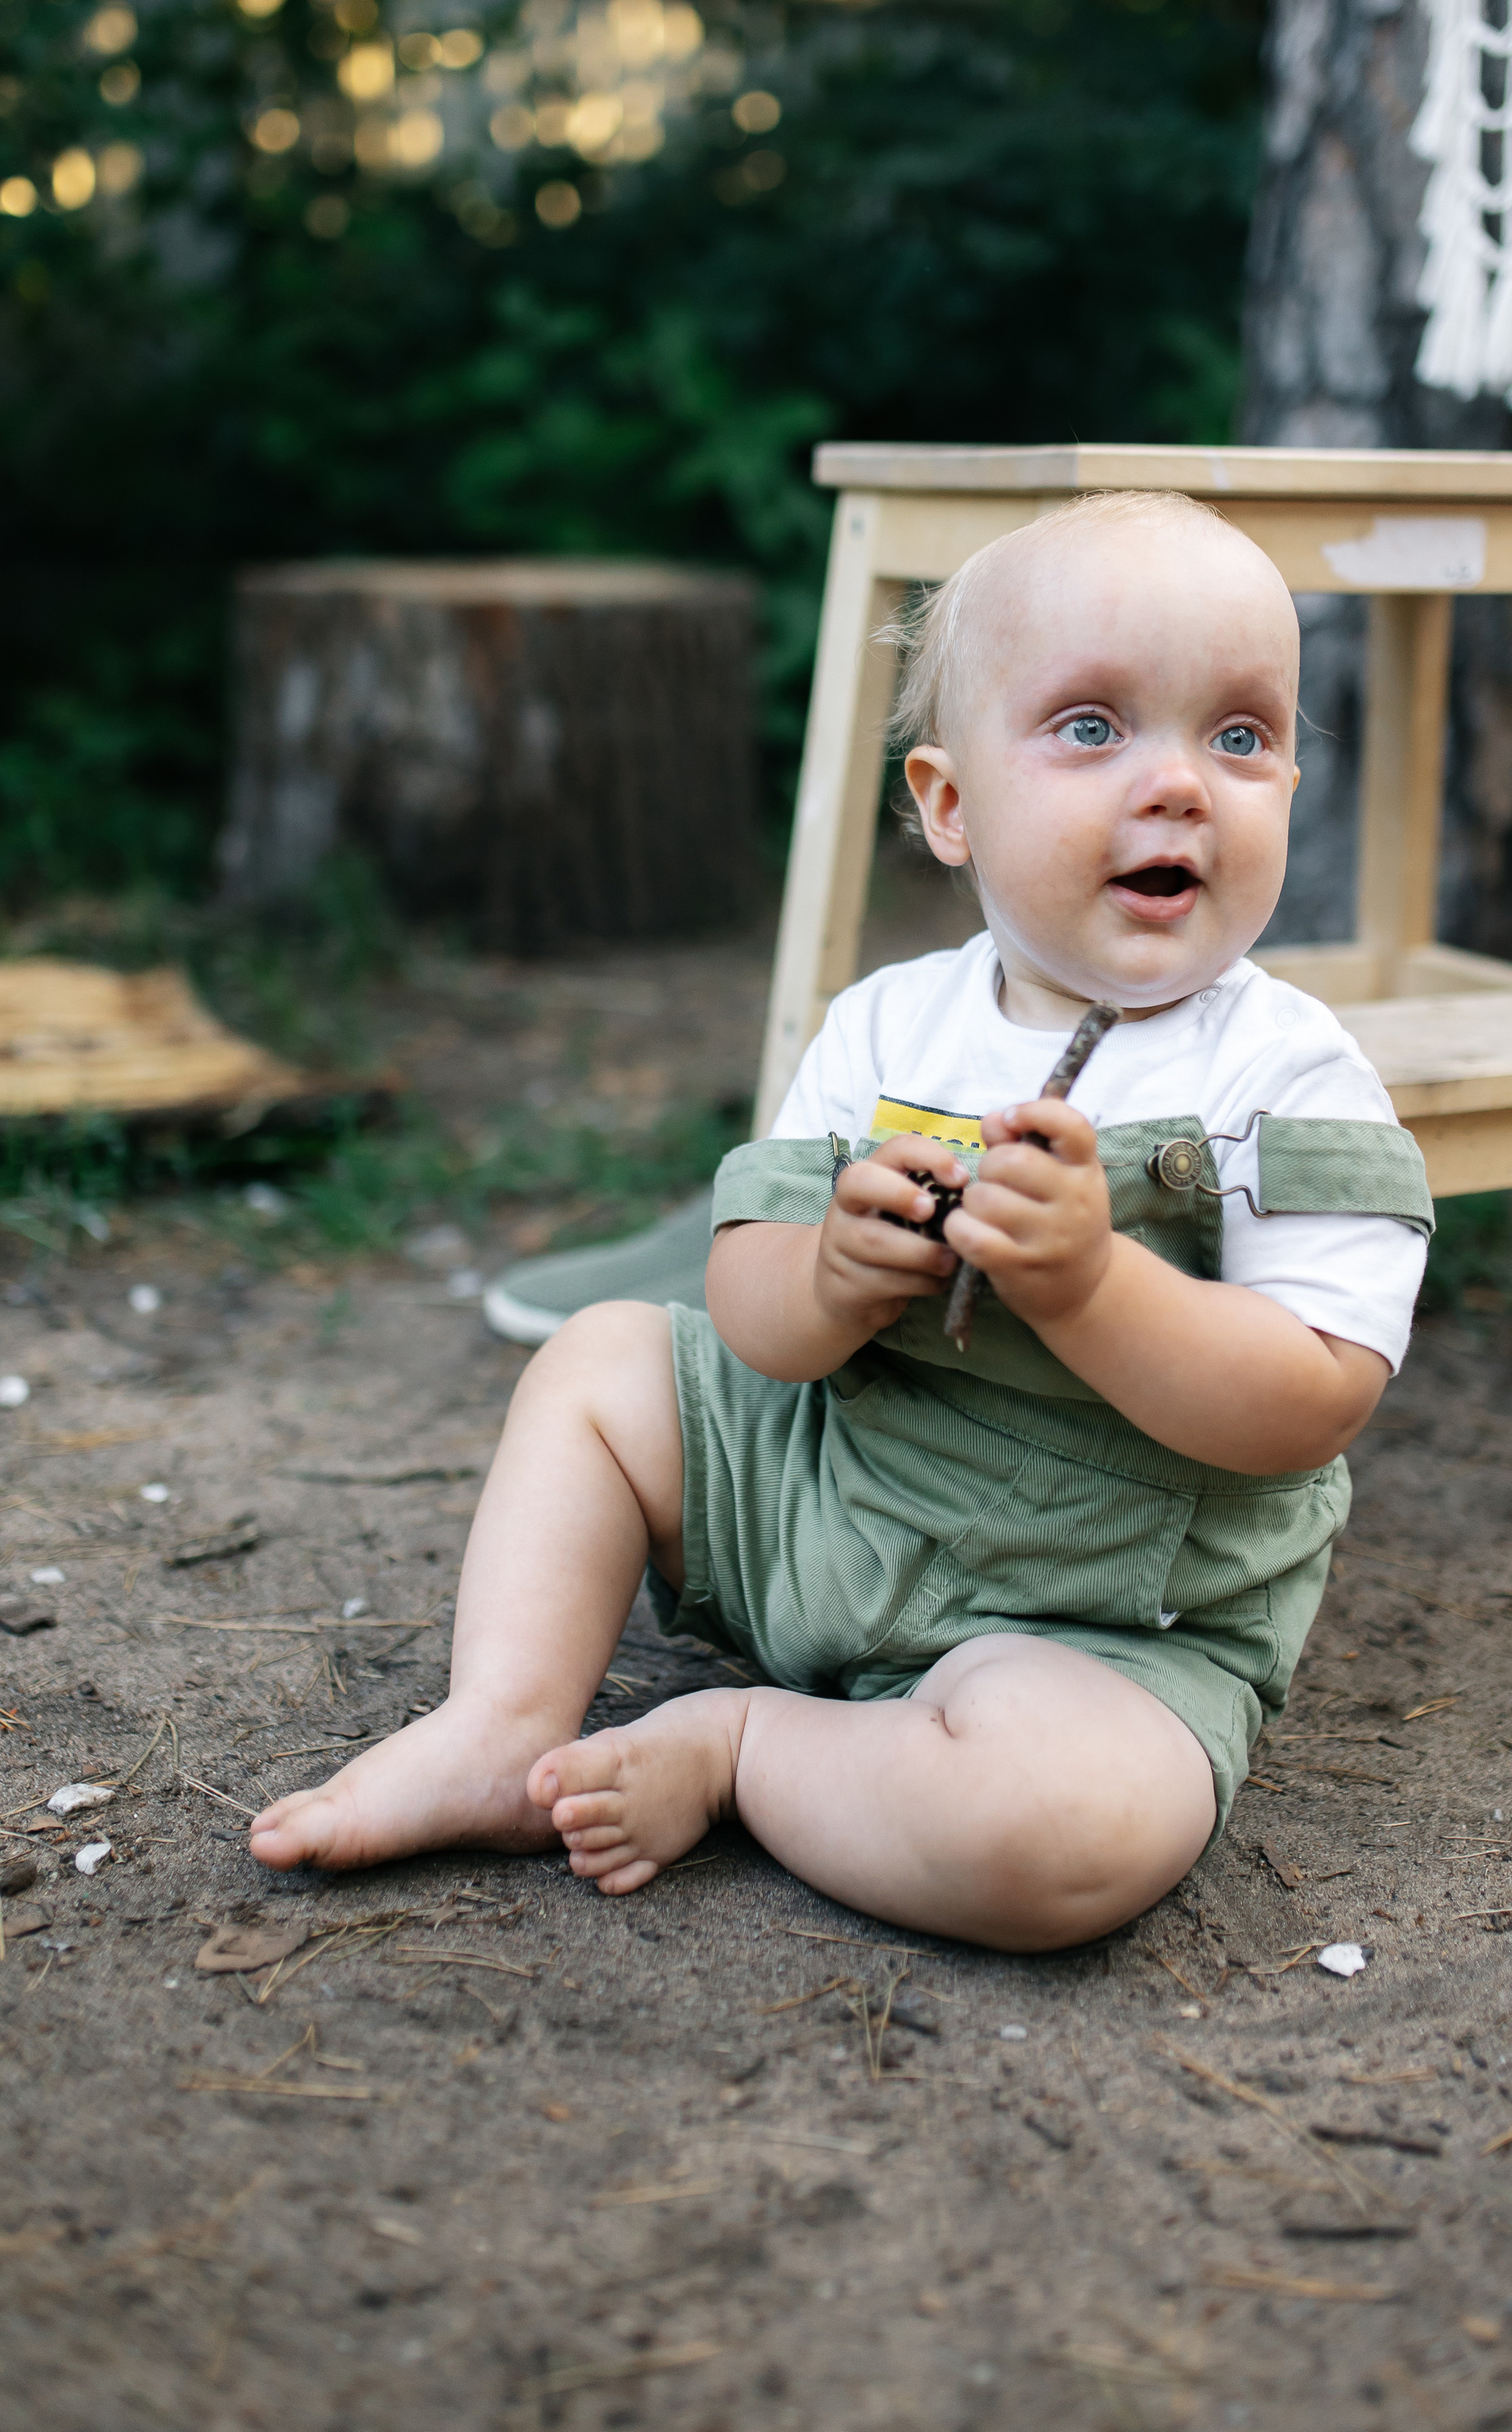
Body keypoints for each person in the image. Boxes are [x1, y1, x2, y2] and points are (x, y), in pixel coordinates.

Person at [250, 491, 1431, 1950]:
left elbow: (1310, 1401)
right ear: (948, 804)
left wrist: (1088, 1287)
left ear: (1288, 789)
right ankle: (502, 1720)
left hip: (1097, 1625)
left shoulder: (1282, 1072)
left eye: (1238, 737)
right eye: (1089, 729)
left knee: (1066, 1836)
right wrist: (827, 1274)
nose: (1180, 784)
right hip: (823, 1507)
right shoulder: (886, 1028)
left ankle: (744, 1750)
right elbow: (747, 1312)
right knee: (602, 1365)